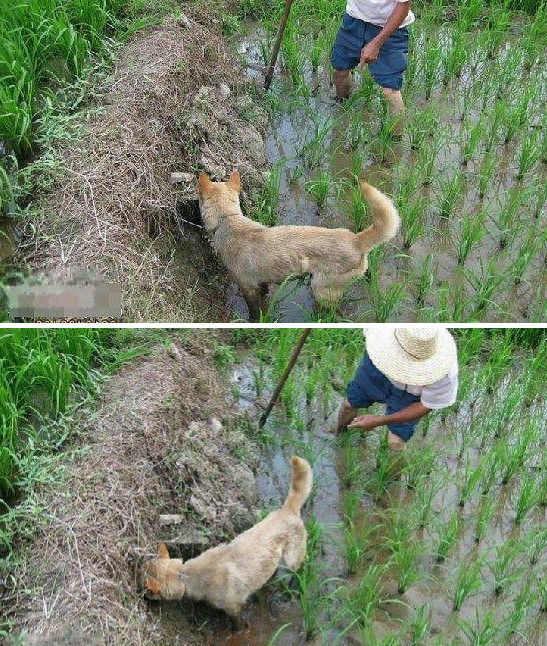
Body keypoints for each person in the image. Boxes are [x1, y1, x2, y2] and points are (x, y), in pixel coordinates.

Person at [337, 327, 458, 456]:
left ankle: (392, 476)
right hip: (376, 371)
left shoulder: (444, 374)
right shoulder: (379, 335)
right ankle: (339, 437)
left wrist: (379, 420)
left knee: (395, 442)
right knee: (348, 405)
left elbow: (425, 405)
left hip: (410, 394)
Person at [330, 0, 414, 135]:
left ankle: (395, 141)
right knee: (339, 71)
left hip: (390, 29)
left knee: (390, 90)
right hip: (353, 21)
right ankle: (342, 107)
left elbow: (403, 7)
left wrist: (376, 44)